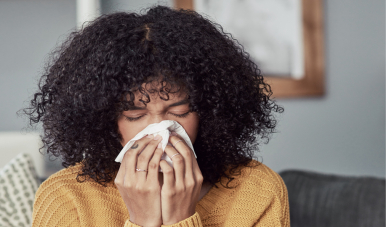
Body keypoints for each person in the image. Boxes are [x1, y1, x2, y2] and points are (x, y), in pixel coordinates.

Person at [25, 5, 289, 227]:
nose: (159, 129)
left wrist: (180, 218)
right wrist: (142, 221)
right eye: (135, 113)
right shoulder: (66, 197)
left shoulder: (259, 190)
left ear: (210, 110)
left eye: (178, 111)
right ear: (104, 119)